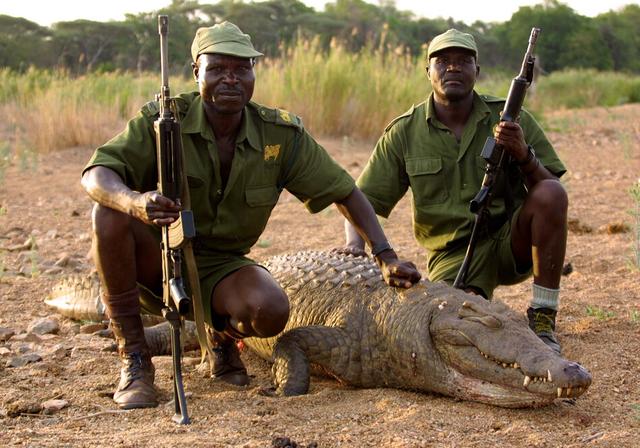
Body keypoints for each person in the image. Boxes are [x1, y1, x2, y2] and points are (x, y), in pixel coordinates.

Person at [81, 22, 421, 410]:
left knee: (270, 310)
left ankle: (221, 342)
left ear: (254, 73)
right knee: (107, 215)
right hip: (157, 256)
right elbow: (96, 174)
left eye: (242, 69)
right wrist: (133, 201)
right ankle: (135, 359)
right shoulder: (162, 123)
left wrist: (385, 256)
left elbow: (345, 192)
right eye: (217, 69)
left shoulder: (279, 134)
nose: (230, 79)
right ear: (197, 72)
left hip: (221, 266)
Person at [343, 29, 568, 354]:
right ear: (428, 71)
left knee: (551, 194)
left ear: (477, 71)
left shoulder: (509, 115)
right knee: (452, 328)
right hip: (452, 253)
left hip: (510, 241)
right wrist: (354, 245)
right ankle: (476, 294)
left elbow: (551, 188)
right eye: (443, 61)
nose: (453, 68)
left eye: (463, 61)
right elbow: (361, 201)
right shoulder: (405, 131)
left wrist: (524, 154)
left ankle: (544, 318)